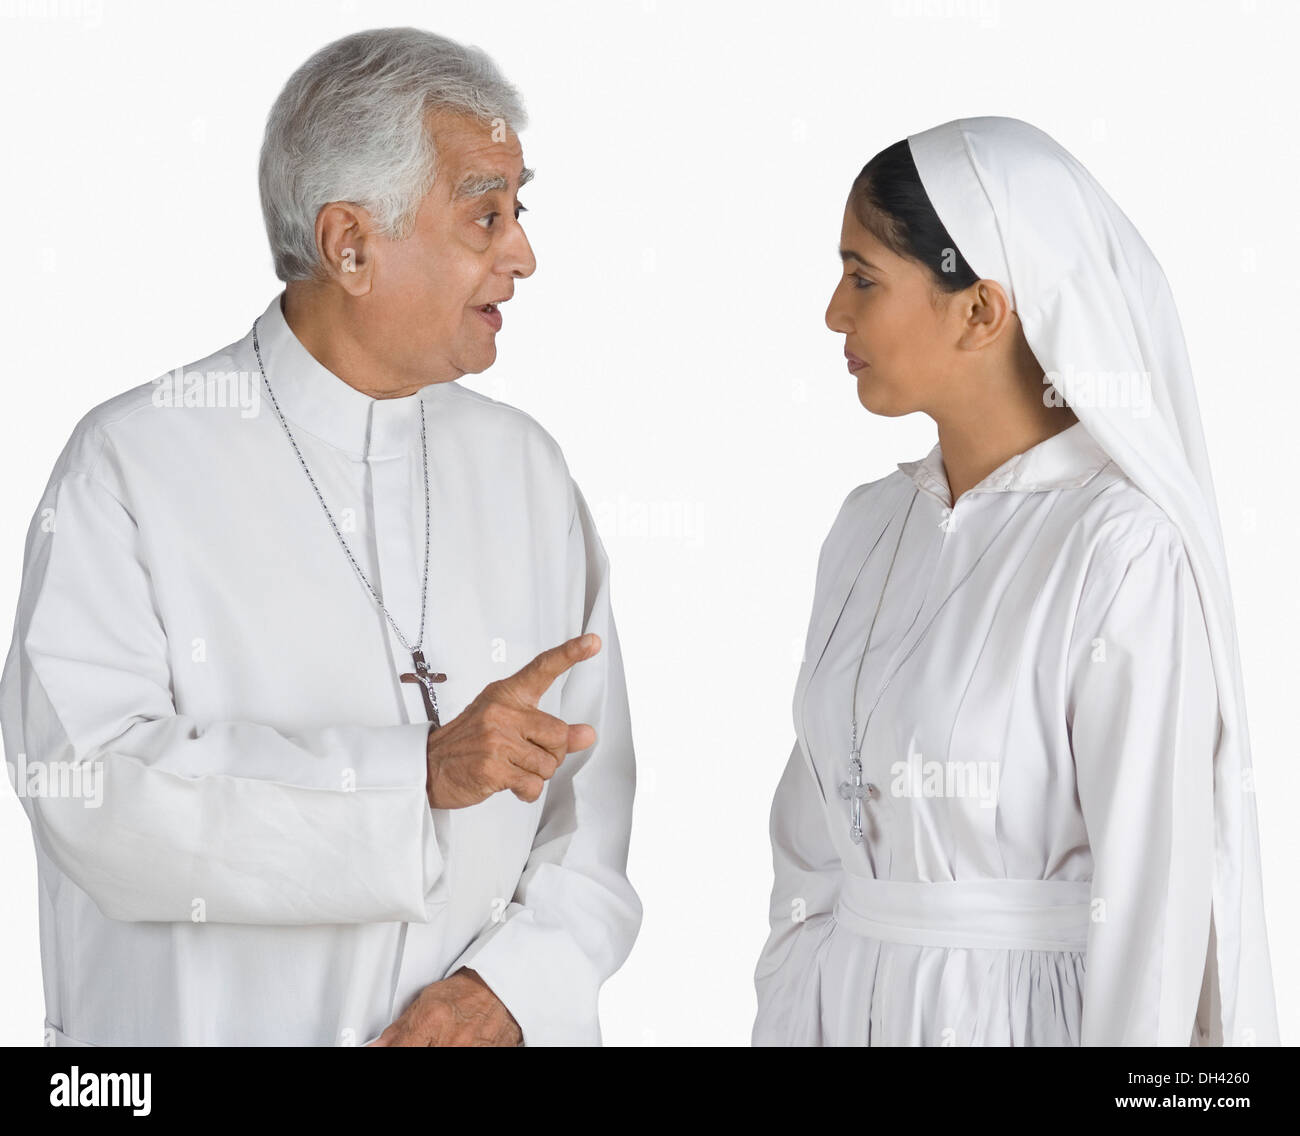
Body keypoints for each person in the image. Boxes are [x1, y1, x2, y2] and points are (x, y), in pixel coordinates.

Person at [0, 27, 640, 1047]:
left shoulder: (524, 469)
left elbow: (586, 805)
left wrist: (509, 989)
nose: (522, 253)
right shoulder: (135, 461)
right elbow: (89, 791)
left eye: (519, 211)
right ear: (349, 244)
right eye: (485, 215)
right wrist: (410, 777)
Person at [752, 116, 1279, 1046]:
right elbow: (809, 853)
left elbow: (1155, 911)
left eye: (863, 277)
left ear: (981, 309)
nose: (835, 312)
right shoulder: (867, 527)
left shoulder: (1119, 550)